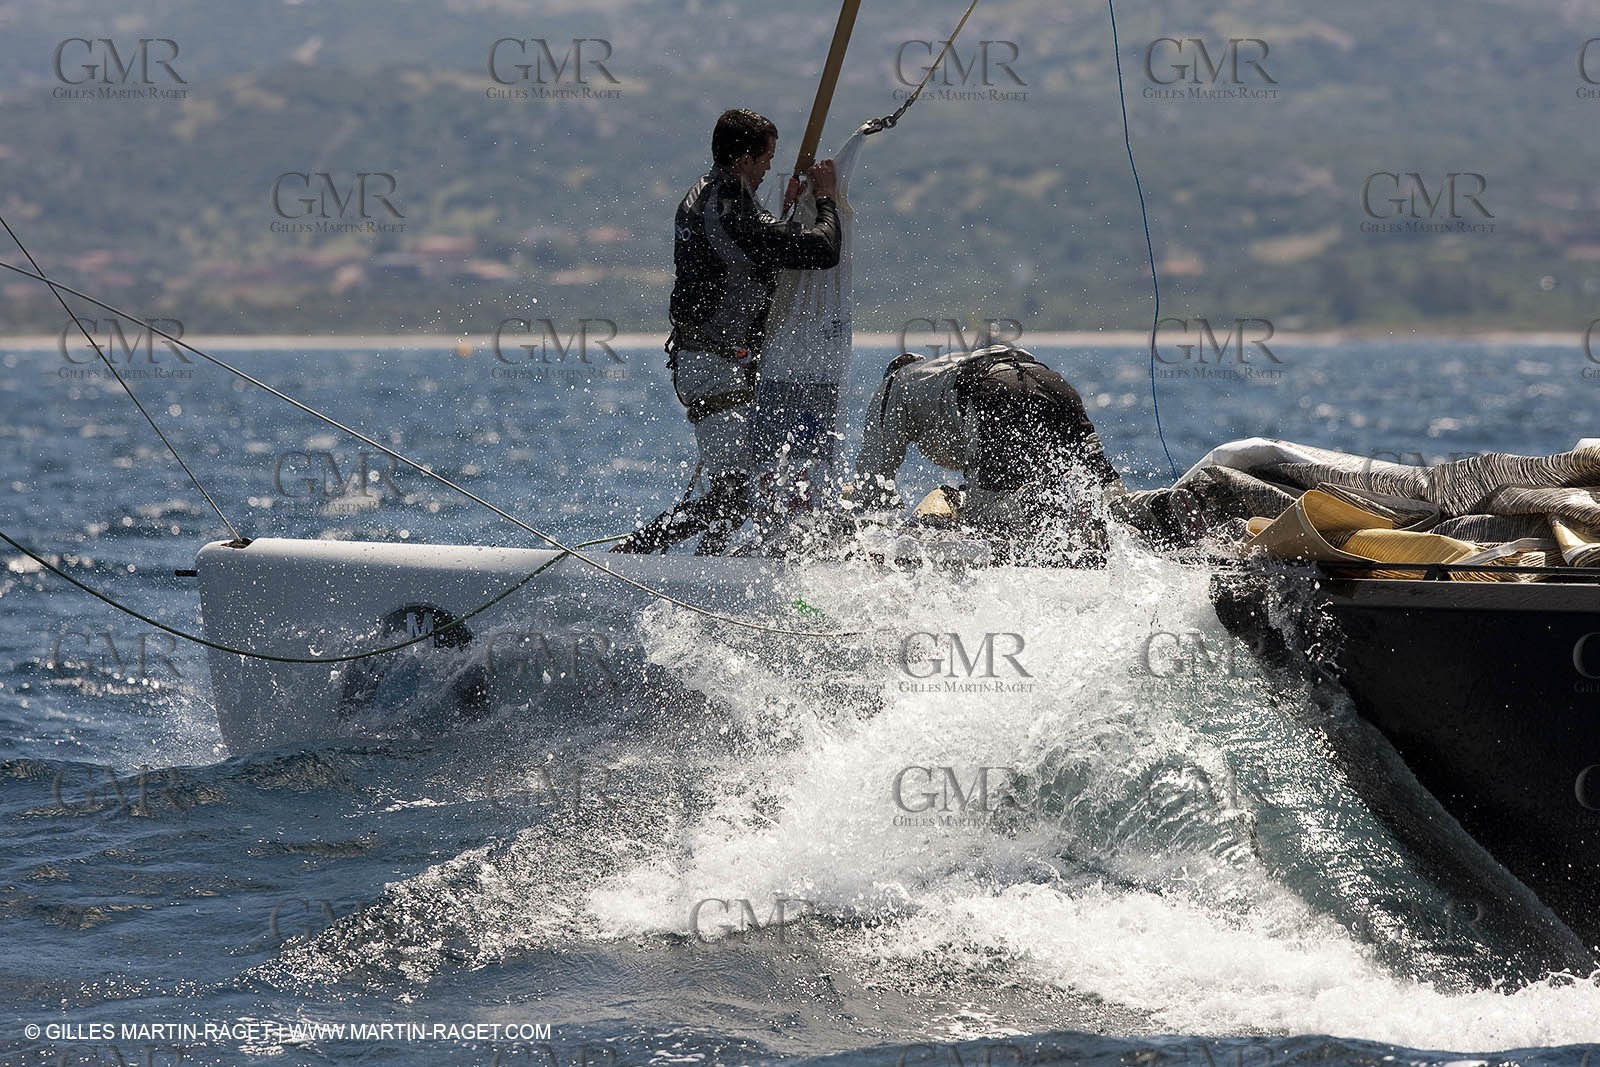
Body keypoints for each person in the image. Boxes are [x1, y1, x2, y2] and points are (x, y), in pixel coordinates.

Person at [613, 109, 842, 554]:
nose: (769, 169)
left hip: (720, 362)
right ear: (743, 159)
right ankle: (630, 557)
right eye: (766, 159)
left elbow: (752, 246)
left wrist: (786, 209)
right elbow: (823, 249)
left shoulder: (715, 194)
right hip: (711, 366)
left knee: (738, 495)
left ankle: (705, 571)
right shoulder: (731, 210)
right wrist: (827, 199)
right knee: (733, 494)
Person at [851, 344, 1124, 564]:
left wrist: (867, 529)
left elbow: (874, 475)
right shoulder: (939, 371)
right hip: (1051, 383)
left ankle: (1043, 534)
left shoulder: (893, 384)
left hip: (993, 387)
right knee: (1097, 471)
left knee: (982, 515)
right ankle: (1121, 518)